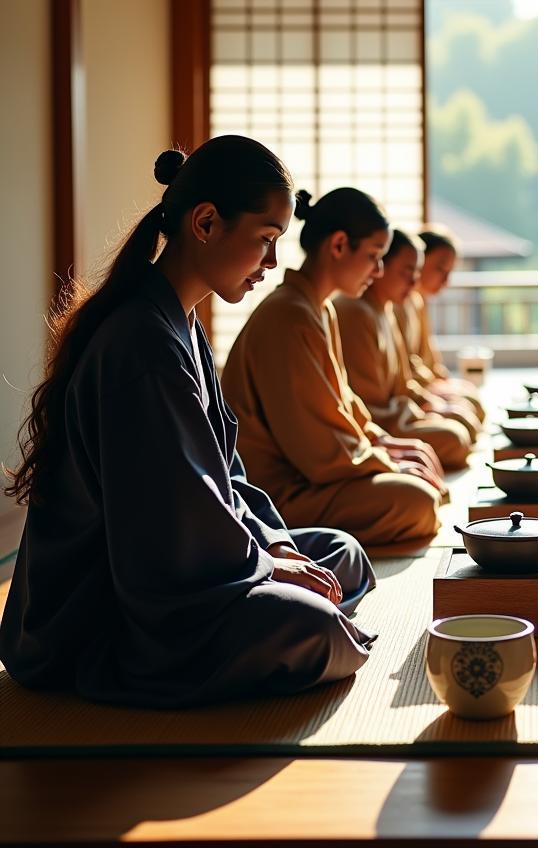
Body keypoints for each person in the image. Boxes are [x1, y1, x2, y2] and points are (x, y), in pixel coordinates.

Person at [1, 136, 376, 708]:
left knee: (340, 553)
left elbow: (227, 480)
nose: (271, 265)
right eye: (265, 241)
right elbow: (171, 526)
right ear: (206, 223)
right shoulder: (142, 343)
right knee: (313, 628)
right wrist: (268, 567)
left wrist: (274, 545)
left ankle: (289, 602)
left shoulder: (180, 327)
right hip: (102, 614)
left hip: (187, 558)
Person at [221, 187, 445, 547]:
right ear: (339, 245)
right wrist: (386, 461)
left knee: (418, 486)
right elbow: (317, 447)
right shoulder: (289, 314)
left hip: (313, 475)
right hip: (280, 493)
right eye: (374, 256)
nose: (379, 271)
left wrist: (383, 442)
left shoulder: (318, 308)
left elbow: (345, 405)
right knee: (415, 501)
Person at [335, 230, 472, 470]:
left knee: (461, 422)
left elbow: (404, 379)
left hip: (390, 419)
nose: (413, 282)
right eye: (407, 271)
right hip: (373, 427)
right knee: (455, 438)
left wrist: (426, 403)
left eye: (416, 273)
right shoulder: (353, 311)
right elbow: (368, 406)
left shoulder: (384, 308)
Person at [395, 225, 485, 424]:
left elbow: (427, 356)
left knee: (471, 400)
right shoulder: (396, 304)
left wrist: (440, 381)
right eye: (440, 269)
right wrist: (431, 391)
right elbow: (404, 369)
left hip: (421, 387)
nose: (446, 280)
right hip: (406, 399)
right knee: (462, 422)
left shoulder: (416, 301)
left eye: (449, 272)